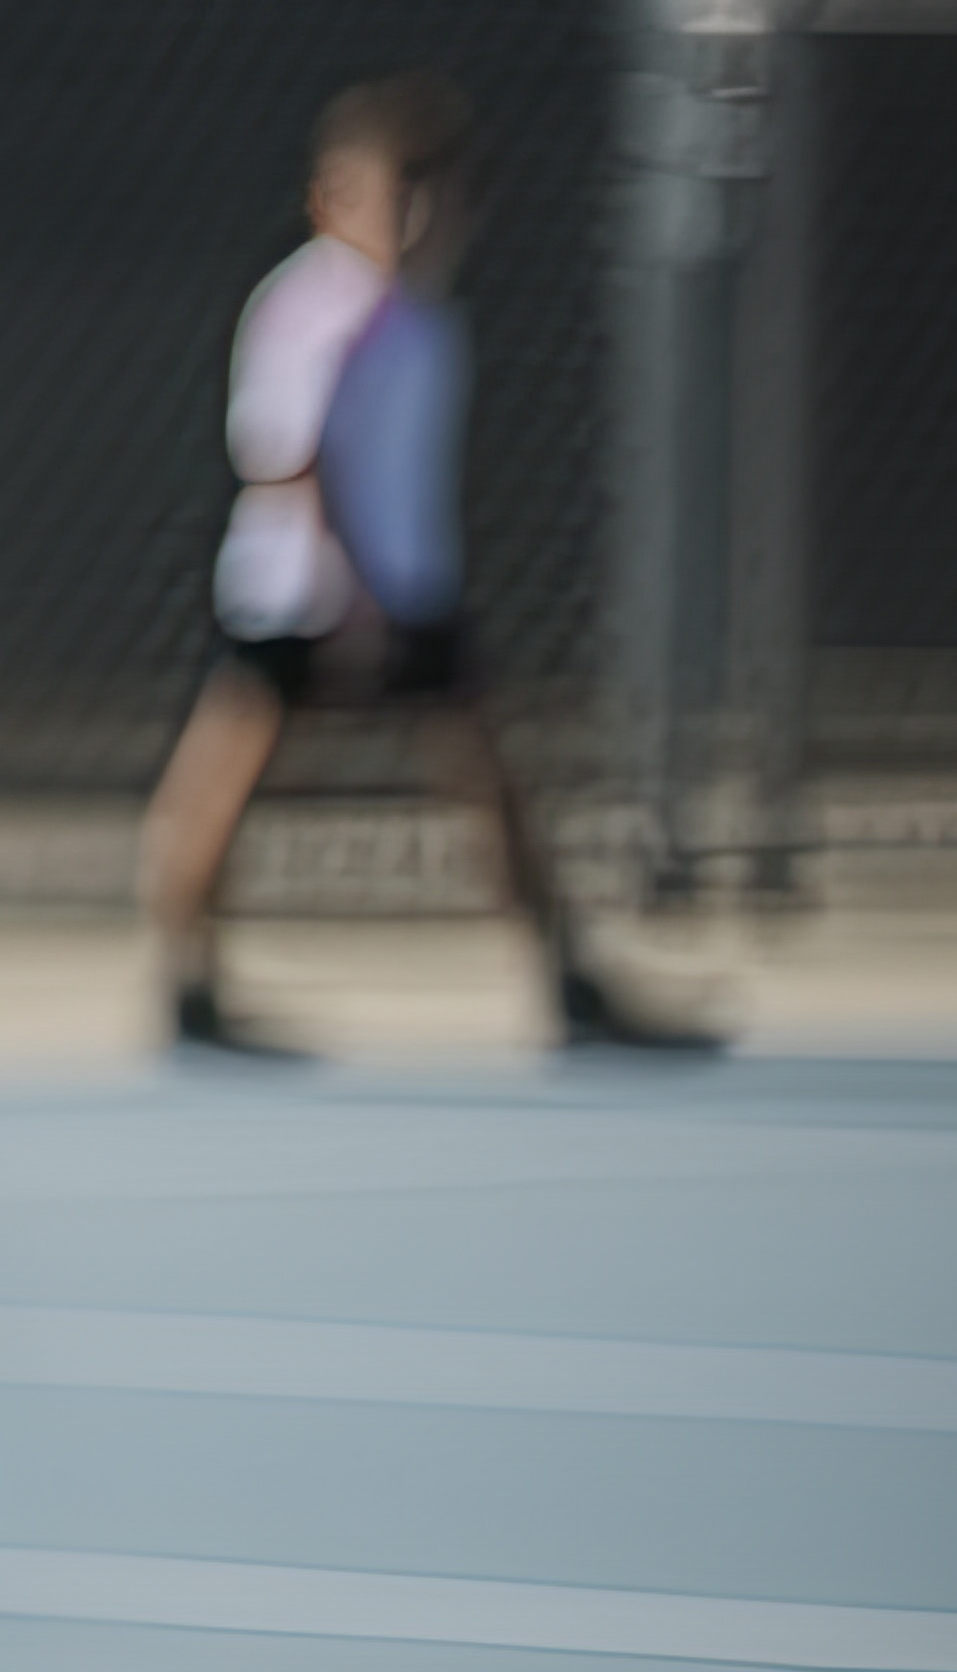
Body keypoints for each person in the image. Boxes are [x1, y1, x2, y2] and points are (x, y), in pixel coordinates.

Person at [140, 72, 718, 1057]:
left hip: (406, 594)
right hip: (305, 596)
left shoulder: (424, 316)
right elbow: (286, 457)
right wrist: (350, 590)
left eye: (432, 191)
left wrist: (400, 585)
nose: (409, 215)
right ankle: (187, 988)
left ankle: (570, 980)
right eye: (387, 189)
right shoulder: (320, 306)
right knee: (223, 781)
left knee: (490, 782)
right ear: (331, 196)